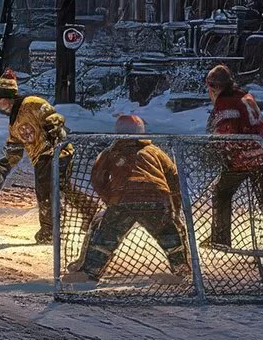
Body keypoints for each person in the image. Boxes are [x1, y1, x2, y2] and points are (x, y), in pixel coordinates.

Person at [71, 114, 190, 282]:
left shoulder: (111, 152)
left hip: (122, 200)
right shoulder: (155, 151)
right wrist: (173, 205)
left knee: (106, 236)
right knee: (169, 235)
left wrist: (110, 198)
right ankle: (182, 270)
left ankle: (91, 271)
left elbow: (97, 178)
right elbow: (173, 176)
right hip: (156, 199)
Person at [0, 70, 91, 243]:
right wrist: (6, 164)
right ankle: (90, 212)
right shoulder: (13, 124)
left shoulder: (31, 103)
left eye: (4, 98)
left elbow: (53, 116)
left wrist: (55, 124)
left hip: (56, 151)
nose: (1, 103)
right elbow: (15, 149)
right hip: (41, 158)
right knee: (62, 187)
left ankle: (50, 230)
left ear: (12, 97)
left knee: (45, 191)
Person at [203, 64, 263, 248]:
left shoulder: (225, 103)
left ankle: (220, 238)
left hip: (242, 158)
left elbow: (225, 135)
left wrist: (215, 152)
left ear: (214, 87)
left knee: (222, 193)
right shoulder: (245, 96)